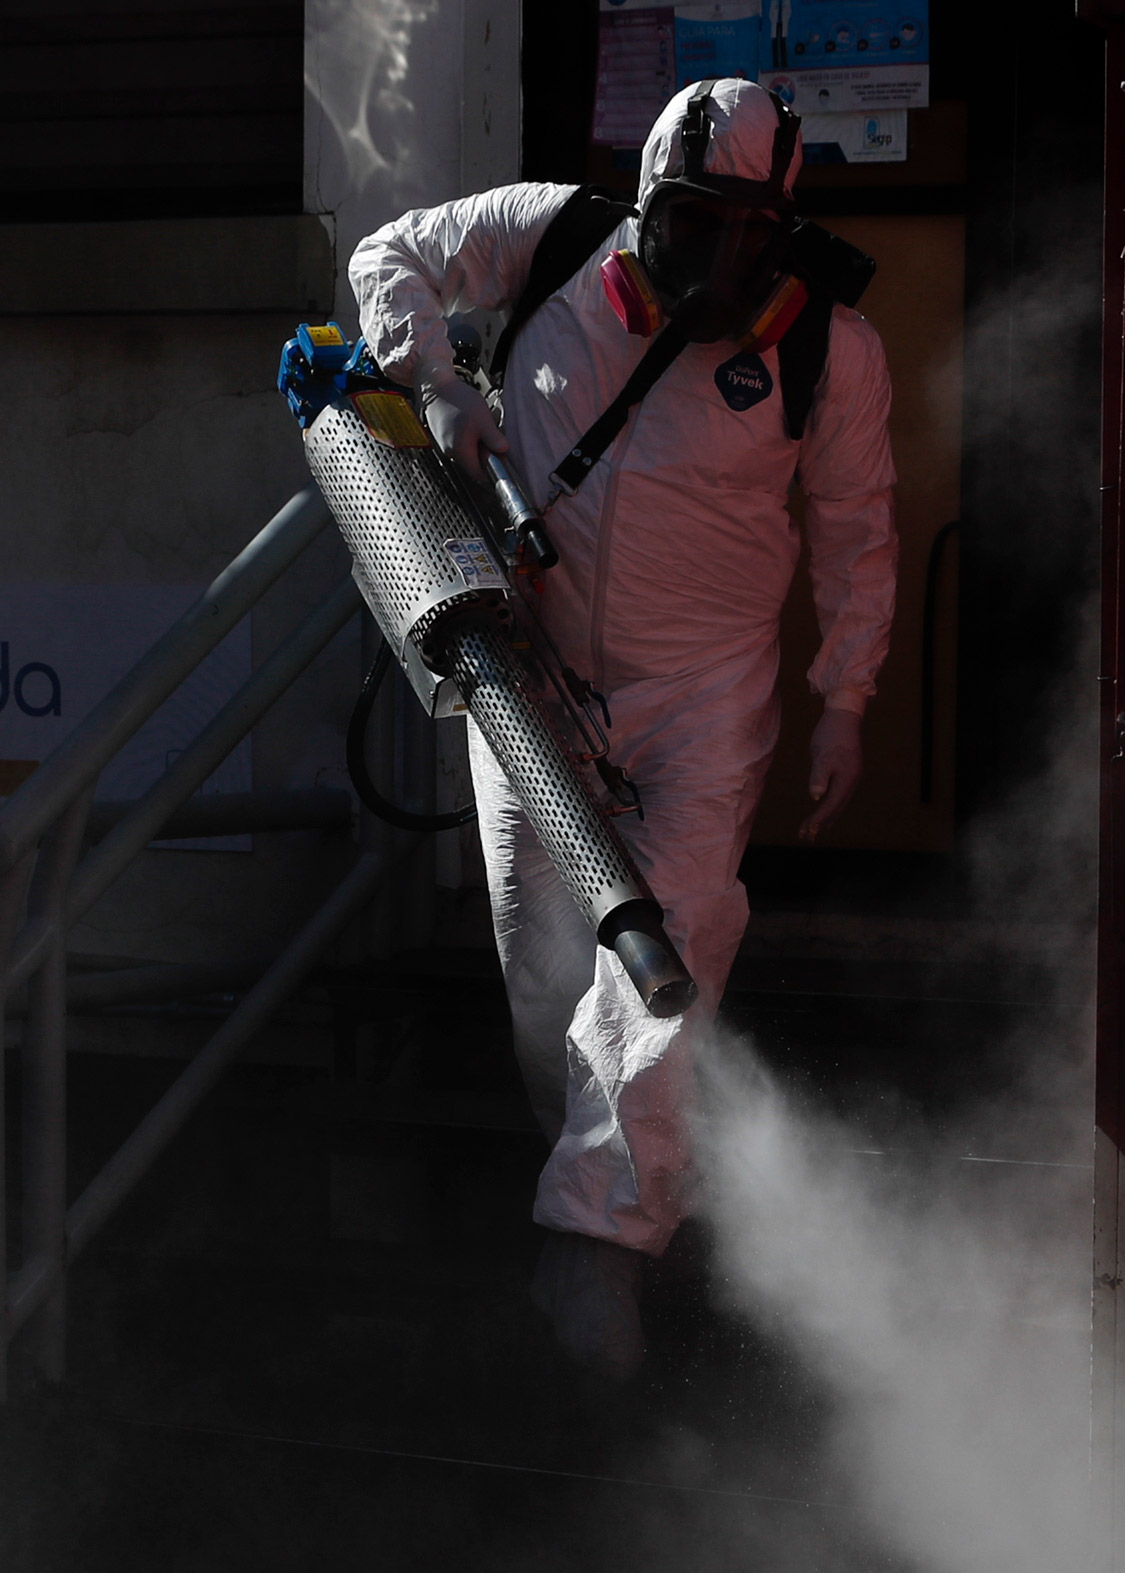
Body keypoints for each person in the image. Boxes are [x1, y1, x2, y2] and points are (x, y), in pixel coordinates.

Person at [345, 78, 898, 1377]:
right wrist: (434, 381)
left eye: (738, 231)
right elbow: (389, 254)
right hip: (528, 679)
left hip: (705, 700)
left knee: (666, 951)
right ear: (644, 202)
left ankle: (594, 1267)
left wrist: (849, 701)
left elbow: (862, 537)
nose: (708, 258)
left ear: (779, 231)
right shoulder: (548, 237)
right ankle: (628, 1188)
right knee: (542, 968)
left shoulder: (832, 351)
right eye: (685, 221)